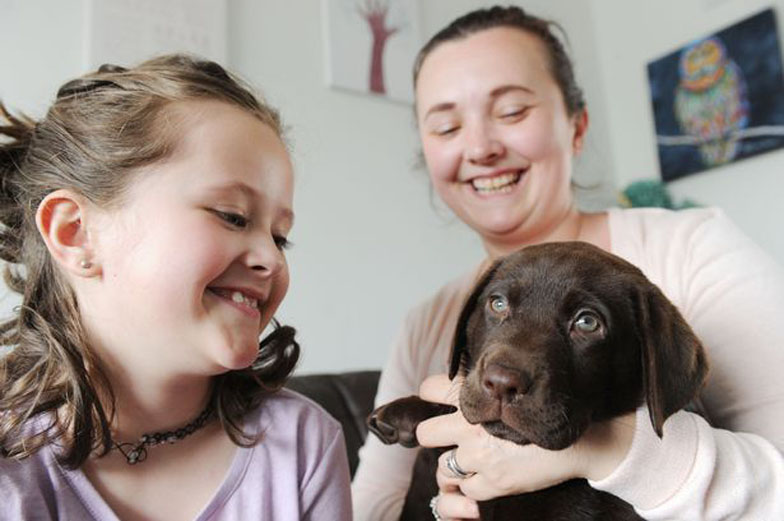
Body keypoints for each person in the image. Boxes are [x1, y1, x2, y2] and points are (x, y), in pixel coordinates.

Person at [352, 6, 784, 520]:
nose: (480, 147)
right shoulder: (425, 325)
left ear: (577, 127)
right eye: (446, 126)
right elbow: (367, 510)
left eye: (511, 111)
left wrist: (609, 448)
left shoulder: (692, 251)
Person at [0, 55, 352, 520]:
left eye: (279, 236)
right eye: (232, 216)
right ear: (75, 233)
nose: (271, 258)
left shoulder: (305, 444)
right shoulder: (12, 465)